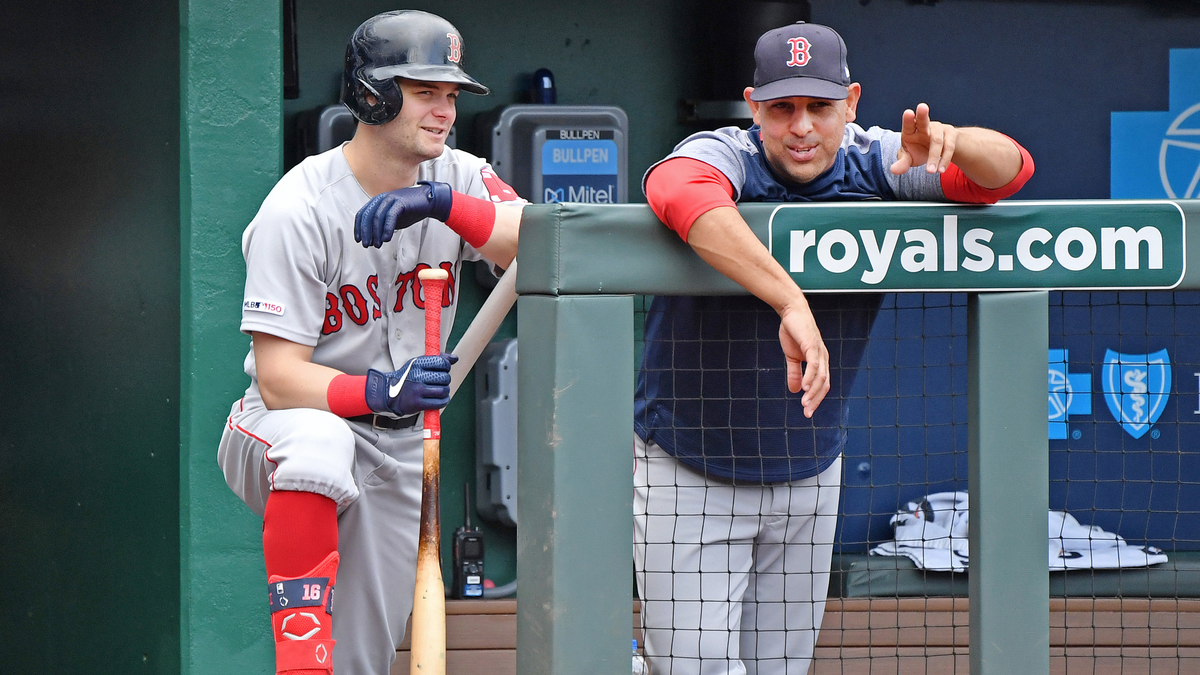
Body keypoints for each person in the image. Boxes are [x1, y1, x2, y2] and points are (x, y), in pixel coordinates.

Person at [633, 21, 1034, 675]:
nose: (801, 127)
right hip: (692, 466)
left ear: (850, 103)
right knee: (692, 668)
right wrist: (790, 299)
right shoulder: (728, 151)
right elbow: (676, 188)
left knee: (780, 669)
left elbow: (1007, 173)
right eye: (782, 107)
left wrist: (956, 144)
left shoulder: (878, 160)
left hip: (808, 471)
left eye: (819, 107)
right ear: (753, 106)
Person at [217, 10, 525, 675]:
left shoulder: (459, 175)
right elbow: (277, 377)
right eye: (426, 91)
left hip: (401, 446)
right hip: (284, 423)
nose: (446, 110)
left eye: (452, 94)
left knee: (363, 657)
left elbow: (545, 241)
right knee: (320, 443)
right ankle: (299, 659)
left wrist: (447, 205)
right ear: (372, 93)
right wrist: (379, 389)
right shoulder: (298, 209)